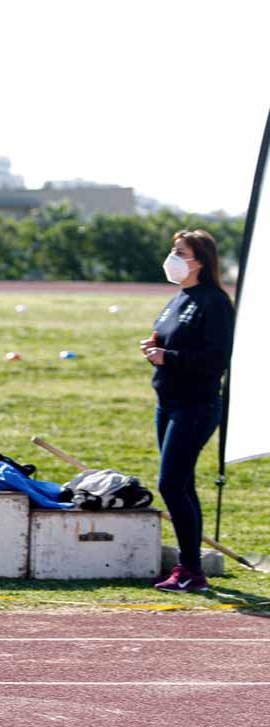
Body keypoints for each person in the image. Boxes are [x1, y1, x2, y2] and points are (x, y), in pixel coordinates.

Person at [141, 229, 234, 592]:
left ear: (201, 260)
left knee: (171, 483)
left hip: (196, 405)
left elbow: (216, 359)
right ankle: (191, 568)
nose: (173, 257)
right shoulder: (180, 297)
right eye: (173, 250)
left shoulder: (215, 301)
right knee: (182, 484)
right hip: (168, 402)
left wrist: (170, 357)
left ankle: (191, 569)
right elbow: (172, 337)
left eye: (181, 251)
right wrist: (155, 346)